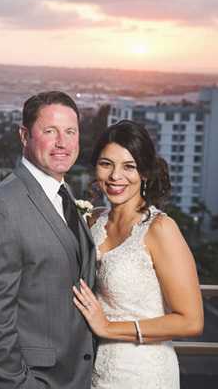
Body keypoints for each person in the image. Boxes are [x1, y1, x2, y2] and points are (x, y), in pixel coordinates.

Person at [0, 90, 96, 389]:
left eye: (70, 132)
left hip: (73, 376)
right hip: (32, 382)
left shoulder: (63, 195)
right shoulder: (1, 207)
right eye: (50, 131)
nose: (62, 142)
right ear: (25, 135)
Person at [72, 119, 203, 388]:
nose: (115, 176)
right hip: (94, 370)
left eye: (128, 166)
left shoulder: (160, 229)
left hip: (143, 373)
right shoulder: (94, 221)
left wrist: (108, 328)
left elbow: (191, 322)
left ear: (145, 171)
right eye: (106, 163)